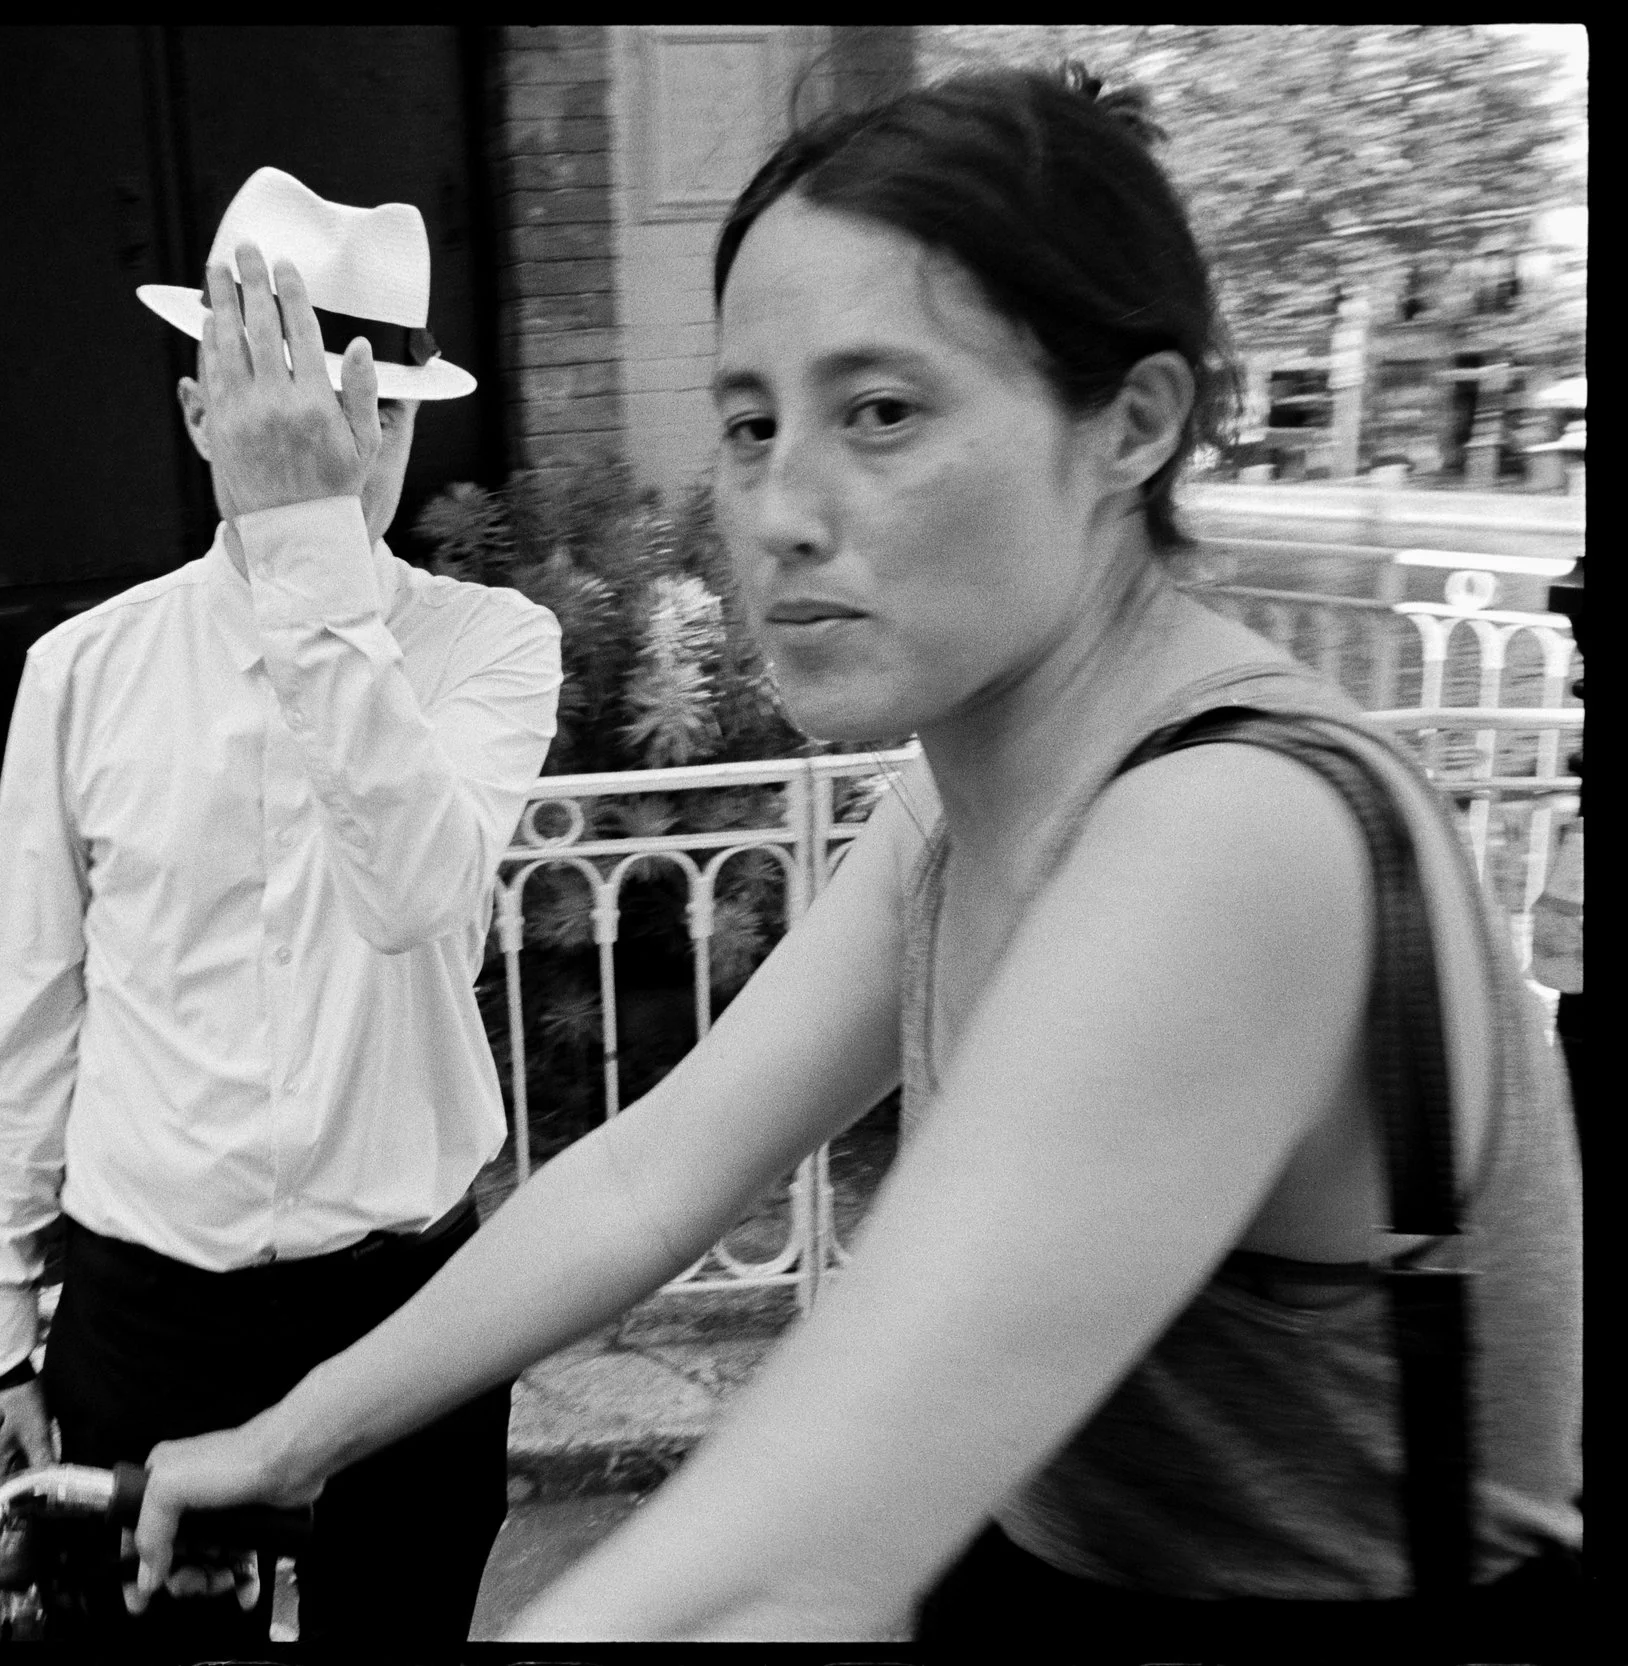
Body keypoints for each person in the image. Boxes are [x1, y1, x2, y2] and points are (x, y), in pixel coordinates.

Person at [132, 67, 1583, 1649]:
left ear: (1131, 424)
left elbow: (792, 1561)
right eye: (752, 424)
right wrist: (293, 1439)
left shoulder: (1235, 831)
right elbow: (646, 1181)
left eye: (880, 413)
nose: (779, 510)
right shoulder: (958, 805)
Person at [0, 165, 562, 1646]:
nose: (346, 446)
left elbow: (414, 892)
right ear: (201, 409)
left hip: (407, 1304)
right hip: (147, 1304)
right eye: (291, 398)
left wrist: (305, 546)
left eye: (382, 412)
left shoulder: (491, 645)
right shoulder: (85, 670)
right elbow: (30, 1006)